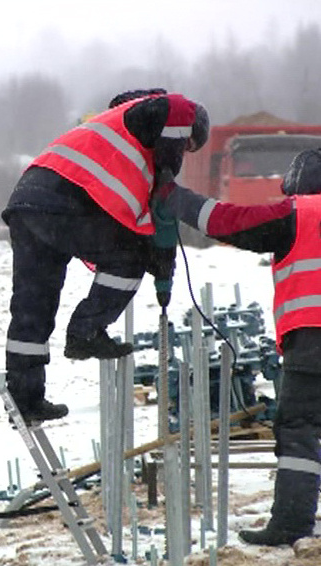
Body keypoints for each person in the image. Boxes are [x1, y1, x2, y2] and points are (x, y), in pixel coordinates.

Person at [1, 89, 210, 422]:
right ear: (189, 128)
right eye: (188, 145)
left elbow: (145, 218)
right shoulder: (176, 110)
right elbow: (162, 199)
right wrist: (159, 258)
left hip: (28, 203)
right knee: (129, 259)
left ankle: (25, 400)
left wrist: (161, 254)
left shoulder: (119, 134)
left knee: (32, 309)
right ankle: (86, 331)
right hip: (62, 202)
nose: (183, 152)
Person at [153, 148, 321, 547]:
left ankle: (291, 524)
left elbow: (226, 221)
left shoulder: (300, 212)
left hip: (313, 339)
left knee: (299, 428)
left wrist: (172, 196)